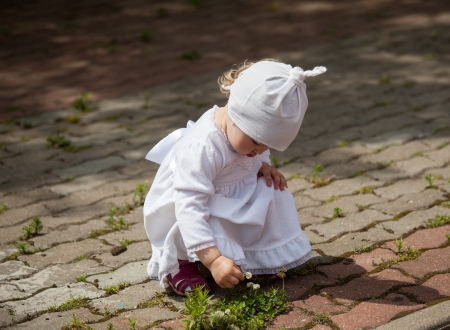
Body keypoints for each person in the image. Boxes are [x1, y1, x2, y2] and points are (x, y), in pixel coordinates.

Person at [143, 59, 326, 296]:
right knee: (191, 219)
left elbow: (258, 151)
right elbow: (189, 207)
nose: (260, 150)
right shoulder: (203, 147)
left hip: (227, 191)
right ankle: (182, 265)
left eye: (267, 146)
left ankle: (255, 255)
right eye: (257, 143)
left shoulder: (245, 136)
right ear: (237, 114)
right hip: (189, 204)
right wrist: (214, 261)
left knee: (271, 189)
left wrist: (263, 166)